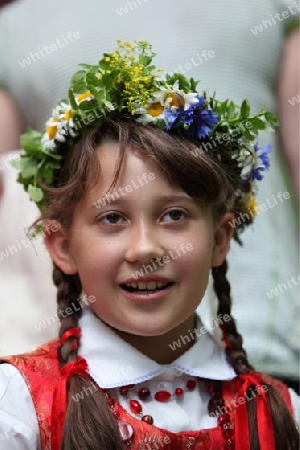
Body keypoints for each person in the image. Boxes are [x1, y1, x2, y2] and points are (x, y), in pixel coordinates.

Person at [0, 40, 299, 450]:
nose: (144, 248)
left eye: (174, 215)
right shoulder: (17, 407)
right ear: (63, 246)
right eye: (112, 218)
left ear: (219, 238)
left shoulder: (283, 414)